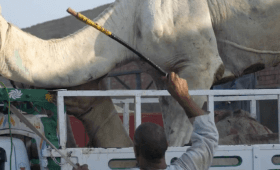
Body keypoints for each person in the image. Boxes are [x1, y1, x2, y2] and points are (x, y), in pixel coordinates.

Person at [78, 72, 219, 170]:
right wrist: (183, 96)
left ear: (136, 152)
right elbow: (208, 136)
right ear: (167, 146)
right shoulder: (187, 167)